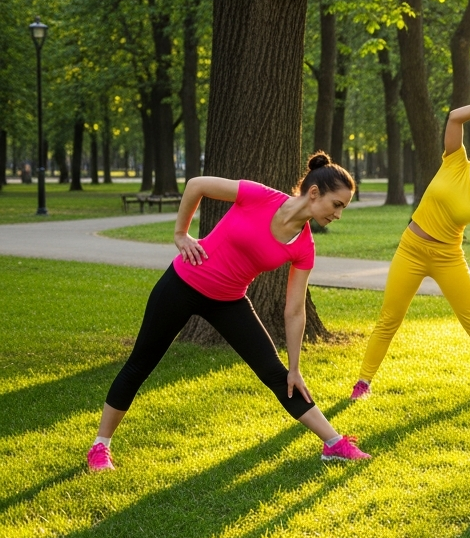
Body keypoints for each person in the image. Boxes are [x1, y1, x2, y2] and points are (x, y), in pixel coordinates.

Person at [87, 153, 370, 471]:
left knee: (280, 377)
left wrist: (295, 366)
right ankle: (100, 447)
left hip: (229, 301)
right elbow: (196, 185)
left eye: (342, 207)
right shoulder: (259, 196)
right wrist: (181, 234)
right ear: (315, 193)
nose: (339, 214)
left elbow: (294, 311)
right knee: (140, 364)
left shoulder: (304, 246)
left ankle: (334, 444)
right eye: (337, 205)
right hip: (183, 283)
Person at [351, 100, 470, 402]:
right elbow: (455, 117)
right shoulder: (455, 161)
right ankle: (363, 383)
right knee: (389, 318)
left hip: (448, 258)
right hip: (412, 250)